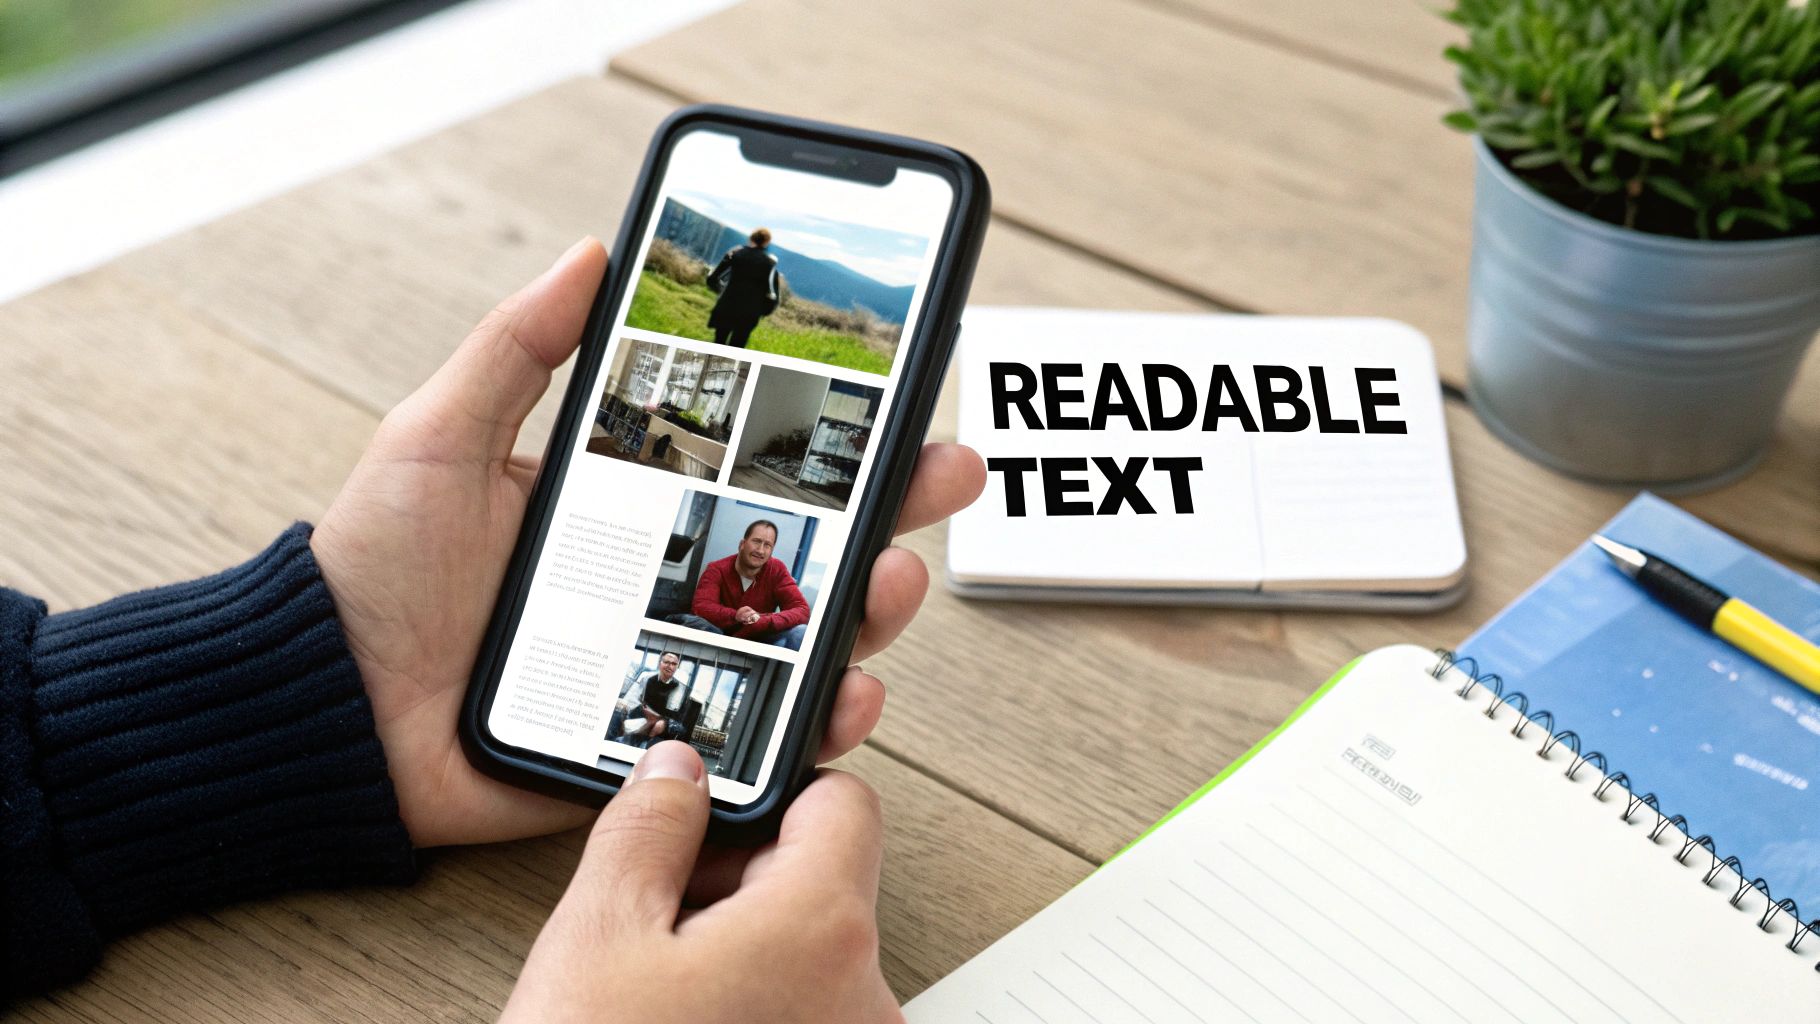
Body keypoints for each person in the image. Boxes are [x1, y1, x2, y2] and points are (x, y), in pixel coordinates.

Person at [1, 237, 987, 1020]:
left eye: (771, 538)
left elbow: (790, 610)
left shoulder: (761, 559)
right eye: (759, 533)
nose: (764, 544)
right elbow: (721, 609)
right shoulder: (732, 552)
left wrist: (336, 672)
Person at [672, 519, 810, 649]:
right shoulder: (716, 568)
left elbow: (802, 610)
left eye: (767, 545)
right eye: (756, 541)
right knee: (693, 623)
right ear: (742, 544)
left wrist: (764, 621)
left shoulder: (777, 569)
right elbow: (701, 606)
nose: (760, 550)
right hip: (719, 634)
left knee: (800, 633)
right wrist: (736, 615)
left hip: (756, 637)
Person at [705, 227, 781, 348]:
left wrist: (723, 291)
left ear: (751, 238)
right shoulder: (769, 264)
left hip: (727, 305)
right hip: (749, 314)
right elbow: (773, 297)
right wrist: (761, 311)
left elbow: (712, 279)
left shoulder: (736, 253)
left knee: (718, 344)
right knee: (736, 349)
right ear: (767, 242)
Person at [613, 651, 696, 747]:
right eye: (666, 662)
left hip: (662, 725)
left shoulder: (680, 689)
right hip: (641, 717)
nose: (669, 666)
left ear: (677, 667)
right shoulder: (647, 678)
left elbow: (678, 719)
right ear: (659, 663)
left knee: (657, 728)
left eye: (673, 664)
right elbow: (631, 701)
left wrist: (662, 721)